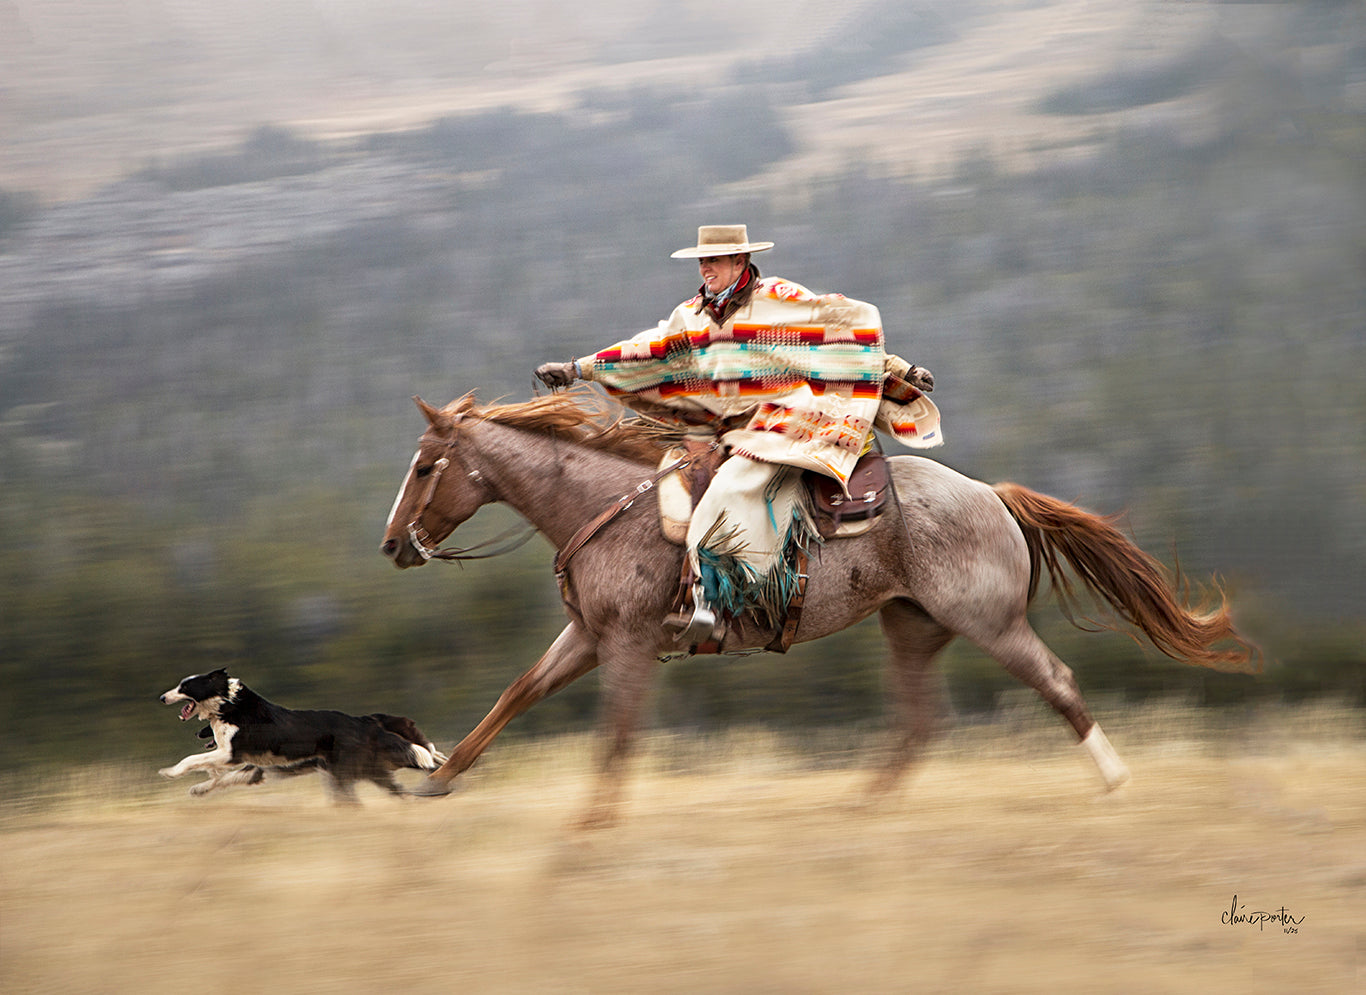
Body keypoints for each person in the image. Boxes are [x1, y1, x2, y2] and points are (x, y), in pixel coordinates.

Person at [536, 224, 941, 643]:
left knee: (731, 485)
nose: (705, 268)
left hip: (786, 420)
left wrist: (900, 369)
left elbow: (838, 331)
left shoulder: (780, 300)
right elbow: (647, 350)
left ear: (739, 261)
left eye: (713, 260)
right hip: (724, 429)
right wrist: (578, 369)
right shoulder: (690, 316)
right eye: (702, 261)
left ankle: (711, 602)